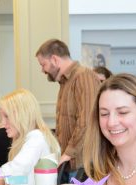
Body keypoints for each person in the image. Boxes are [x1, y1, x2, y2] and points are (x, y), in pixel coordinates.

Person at [36, 39, 99, 176]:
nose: (43, 70)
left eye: (43, 64)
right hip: (69, 164)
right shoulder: (65, 82)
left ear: (54, 59)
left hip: (82, 166)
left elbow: (87, 120)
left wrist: (68, 154)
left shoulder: (83, 76)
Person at [0, 89, 60, 185]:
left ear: (22, 115)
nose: (2, 123)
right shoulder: (31, 138)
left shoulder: (36, 138)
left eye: (7, 116)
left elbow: (15, 170)